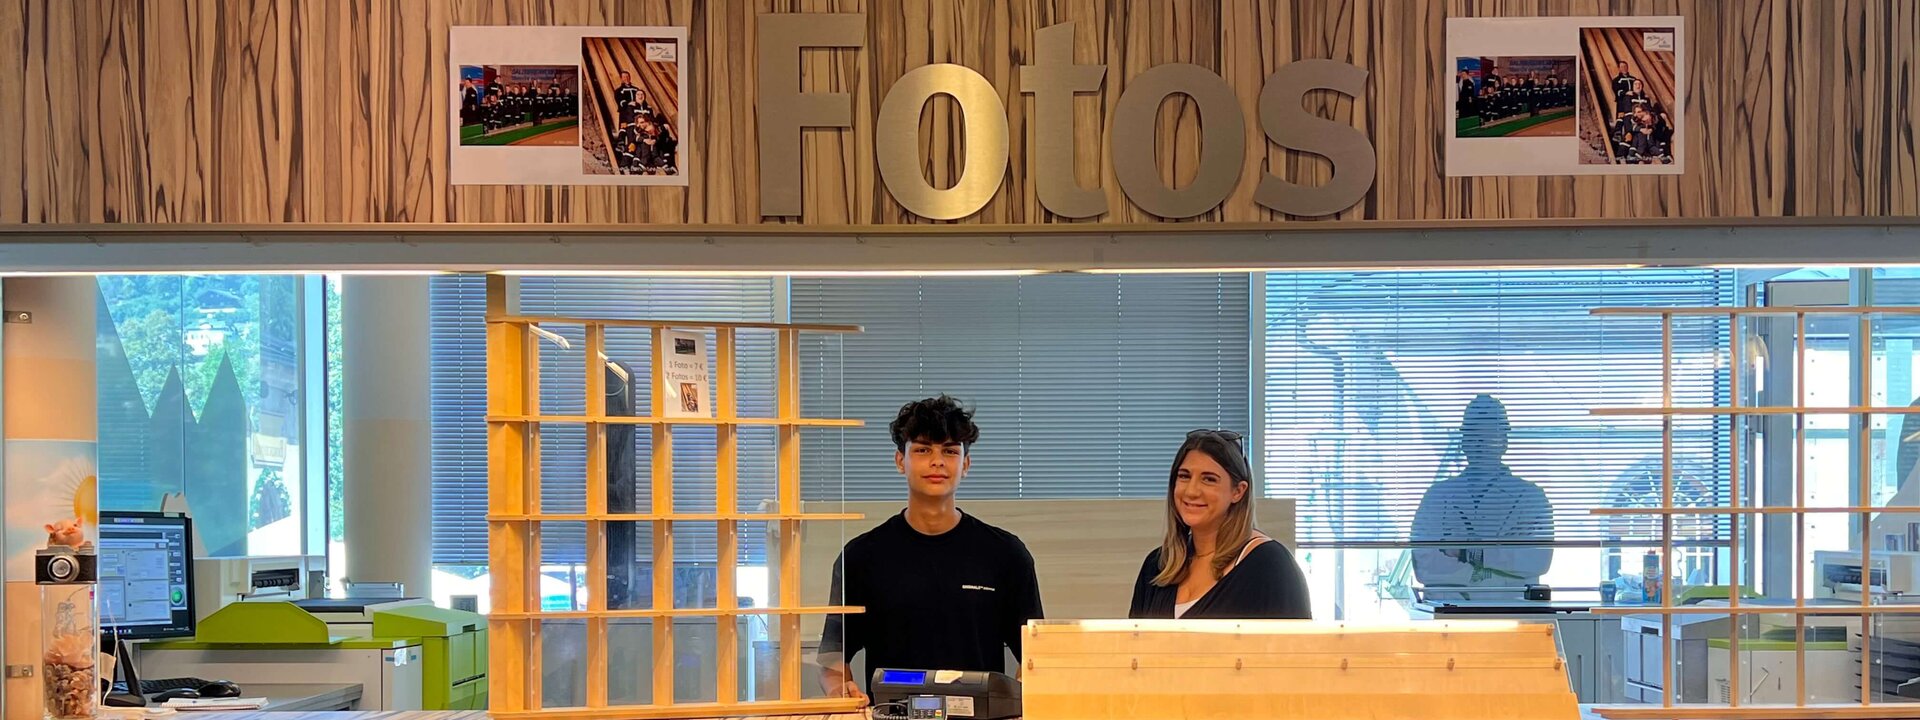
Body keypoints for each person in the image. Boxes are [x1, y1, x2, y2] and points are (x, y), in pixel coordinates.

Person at [818, 396, 1043, 704]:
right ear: (900, 461)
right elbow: (833, 657)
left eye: (949, 451)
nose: (937, 461)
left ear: (965, 464)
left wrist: (1020, 699)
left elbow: (1036, 656)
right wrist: (839, 690)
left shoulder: (1006, 554)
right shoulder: (861, 557)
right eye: (923, 449)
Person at [1128, 430, 1311, 619]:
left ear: (1238, 492)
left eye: (1209, 479)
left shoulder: (1270, 564)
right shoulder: (1157, 565)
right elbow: (1133, 644)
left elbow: (1297, 646)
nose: (1191, 491)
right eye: (1184, 476)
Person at [1410, 395, 1554, 601]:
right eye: (1473, 435)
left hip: (1512, 614)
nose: (1480, 443)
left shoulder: (1531, 498)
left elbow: (1535, 560)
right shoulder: (1436, 498)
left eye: (1489, 435)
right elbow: (1425, 566)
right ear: (1463, 441)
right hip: (1448, 615)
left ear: (1504, 441)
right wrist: (1494, 573)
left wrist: (1465, 553)